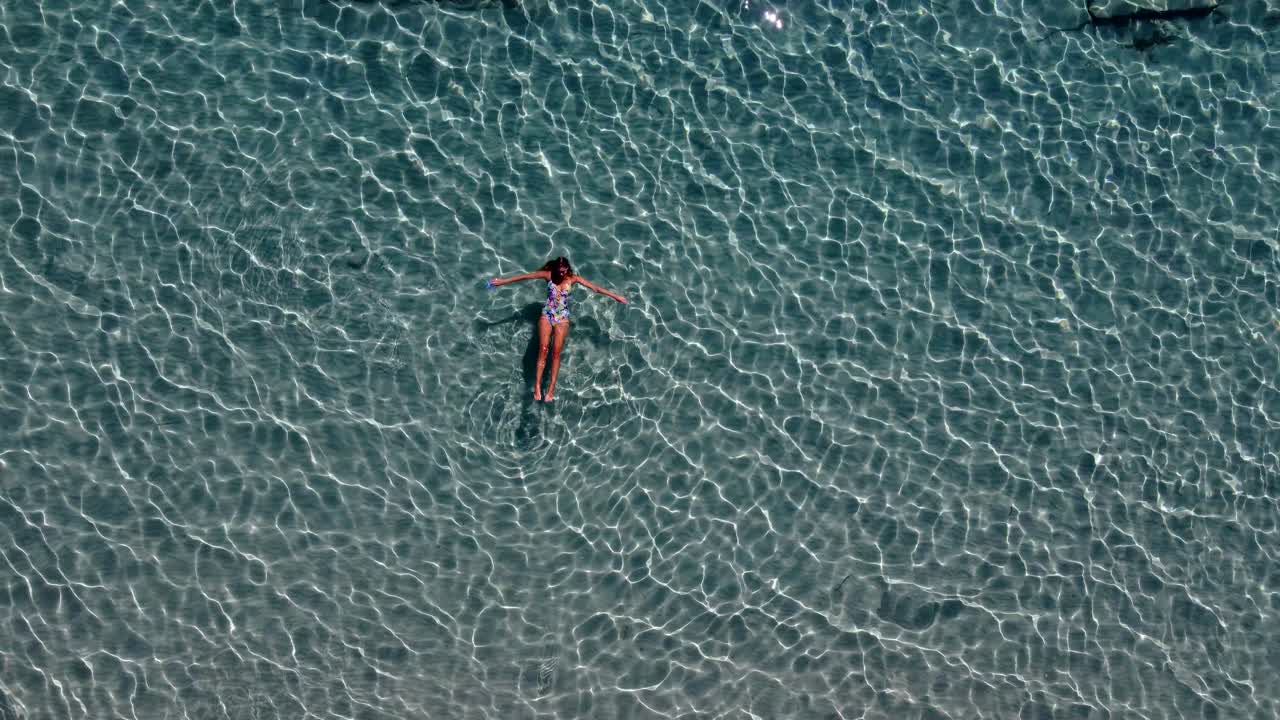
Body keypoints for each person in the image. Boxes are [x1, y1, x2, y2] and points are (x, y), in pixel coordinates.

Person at [486, 257, 627, 401]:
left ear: (566, 269)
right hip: (547, 315)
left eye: (562, 271)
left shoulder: (573, 278)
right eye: (558, 271)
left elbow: (595, 288)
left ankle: (550, 389)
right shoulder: (548, 275)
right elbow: (526, 276)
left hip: (562, 319)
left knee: (556, 353)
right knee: (543, 348)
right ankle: (537, 387)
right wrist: (502, 282)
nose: (559, 274)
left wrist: (616, 296)